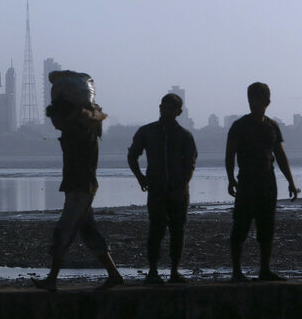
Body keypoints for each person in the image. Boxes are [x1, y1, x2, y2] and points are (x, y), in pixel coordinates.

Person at [32, 99, 123, 291]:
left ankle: (52, 280)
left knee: (64, 231)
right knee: (89, 231)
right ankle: (114, 275)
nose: (54, 123)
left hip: (81, 189)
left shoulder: (79, 133)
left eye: (55, 118)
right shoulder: (77, 132)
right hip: (78, 187)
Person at [226, 82, 299, 282]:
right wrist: (231, 178)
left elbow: (280, 156)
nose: (254, 104)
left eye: (258, 100)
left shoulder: (272, 126)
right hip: (247, 183)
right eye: (251, 100)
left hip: (268, 183)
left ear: (267, 102)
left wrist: (290, 182)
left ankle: (264, 269)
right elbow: (230, 154)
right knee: (240, 226)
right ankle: (236, 271)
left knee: (267, 227)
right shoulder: (240, 126)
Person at [128, 93, 197, 284]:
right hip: (156, 190)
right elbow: (132, 155)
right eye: (164, 107)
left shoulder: (184, 136)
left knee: (178, 231)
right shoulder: (147, 132)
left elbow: (190, 164)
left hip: (179, 191)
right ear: (160, 108)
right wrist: (140, 177)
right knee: (156, 230)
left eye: (171, 108)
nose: (166, 111)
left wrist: (182, 187)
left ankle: (174, 271)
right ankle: (153, 272)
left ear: (178, 112)